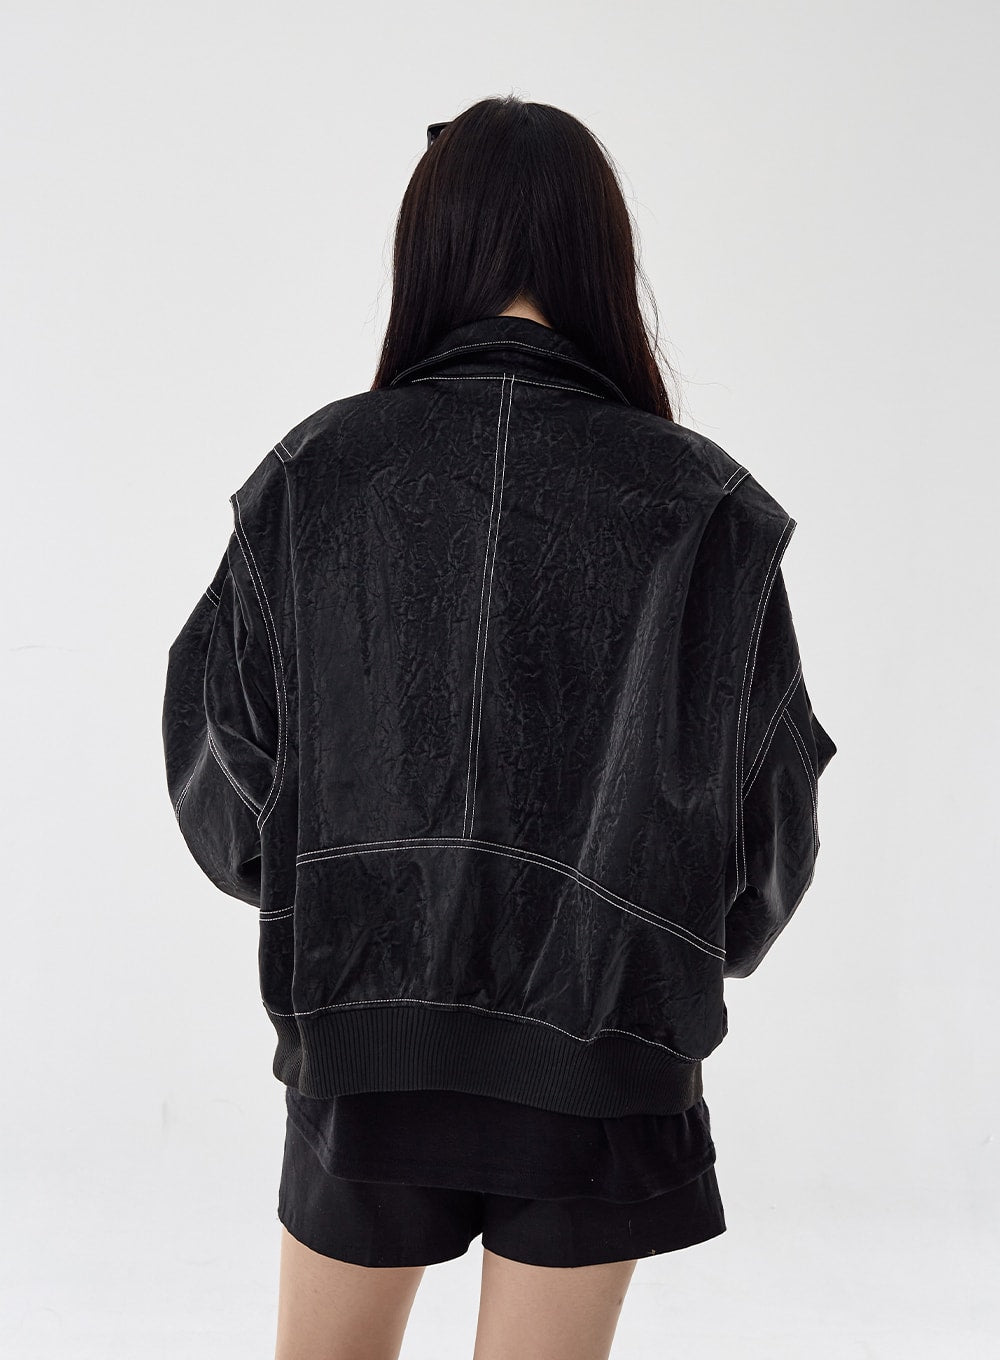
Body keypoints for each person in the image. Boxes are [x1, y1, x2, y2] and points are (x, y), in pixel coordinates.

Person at [161, 94, 837, 1360]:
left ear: (431, 247)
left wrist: (335, 896)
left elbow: (222, 760)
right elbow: (766, 815)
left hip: (365, 1039)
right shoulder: (705, 506)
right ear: (601, 253)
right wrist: (661, 947)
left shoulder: (319, 472)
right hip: (604, 1056)